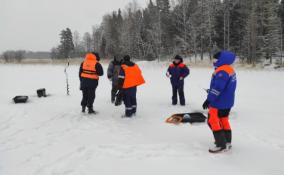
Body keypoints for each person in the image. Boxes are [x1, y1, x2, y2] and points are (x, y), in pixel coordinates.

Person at [202, 51, 237, 153]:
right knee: (223, 120)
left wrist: (209, 99)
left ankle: (220, 144)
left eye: (215, 59)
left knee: (212, 121)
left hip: (218, 102)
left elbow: (218, 88)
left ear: (221, 60)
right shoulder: (229, 69)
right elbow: (225, 87)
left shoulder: (222, 71)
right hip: (227, 101)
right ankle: (227, 142)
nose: (214, 61)